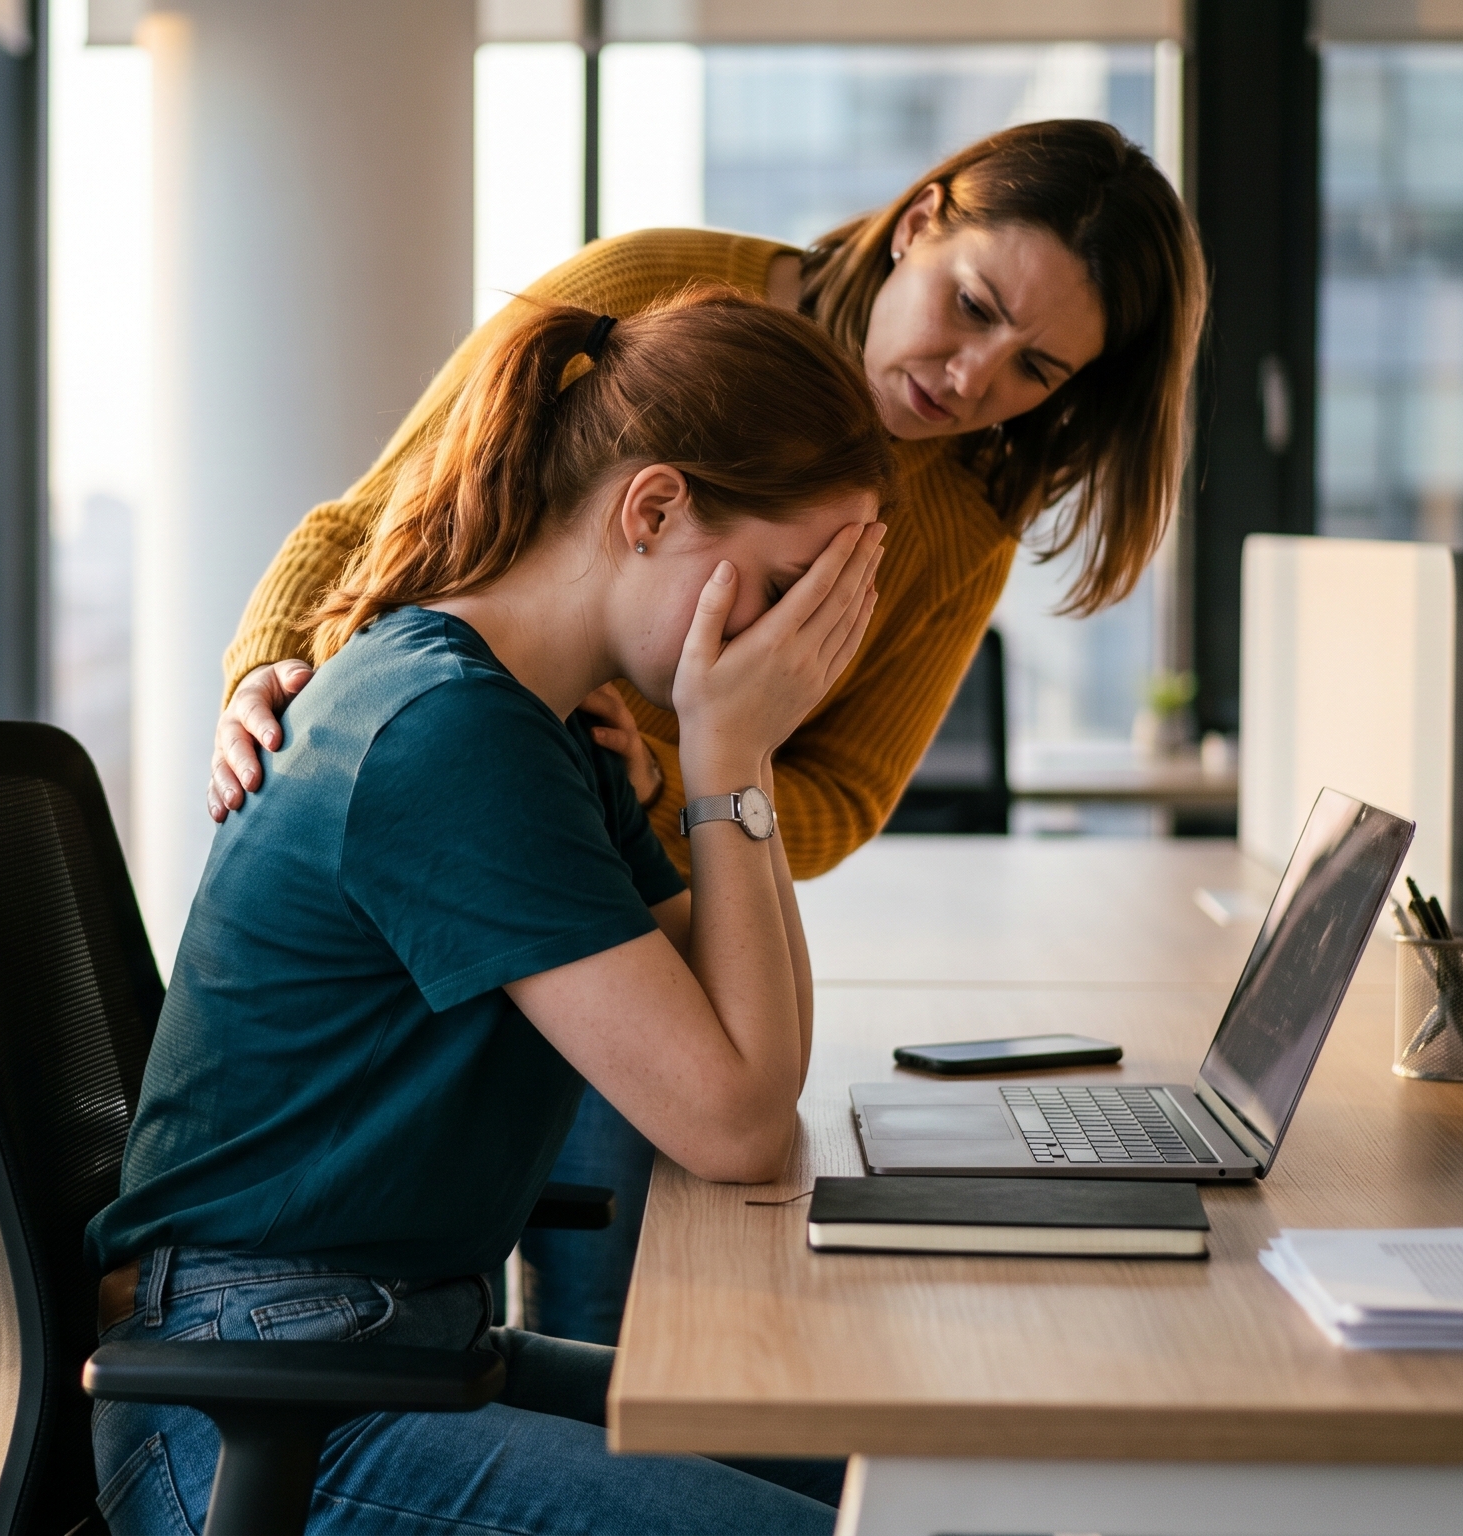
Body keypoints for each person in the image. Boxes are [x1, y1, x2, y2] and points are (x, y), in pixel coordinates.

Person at [206, 119, 1208, 1344]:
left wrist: (677, 766)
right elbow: (378, 523)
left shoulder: (960, 522)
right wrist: (273, 681)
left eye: (1033, 371)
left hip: (607, 857)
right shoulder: (657, 298)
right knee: (595, 1306)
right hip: (478, 805)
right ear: (918, 224)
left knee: (648, 1327)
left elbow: (834, 806)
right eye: (971, 306)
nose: (970, 380)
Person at [86, 287, 890, 1536]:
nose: (796, 639)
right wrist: (730, 753)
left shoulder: (549, 728)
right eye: (788, 586)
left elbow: (745, 1040)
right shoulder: (450, 734)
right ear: (653, 509)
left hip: (397, 1347)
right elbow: (731, 1121)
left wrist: (743, 759)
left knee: (908, 1483)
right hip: (254, 1408)